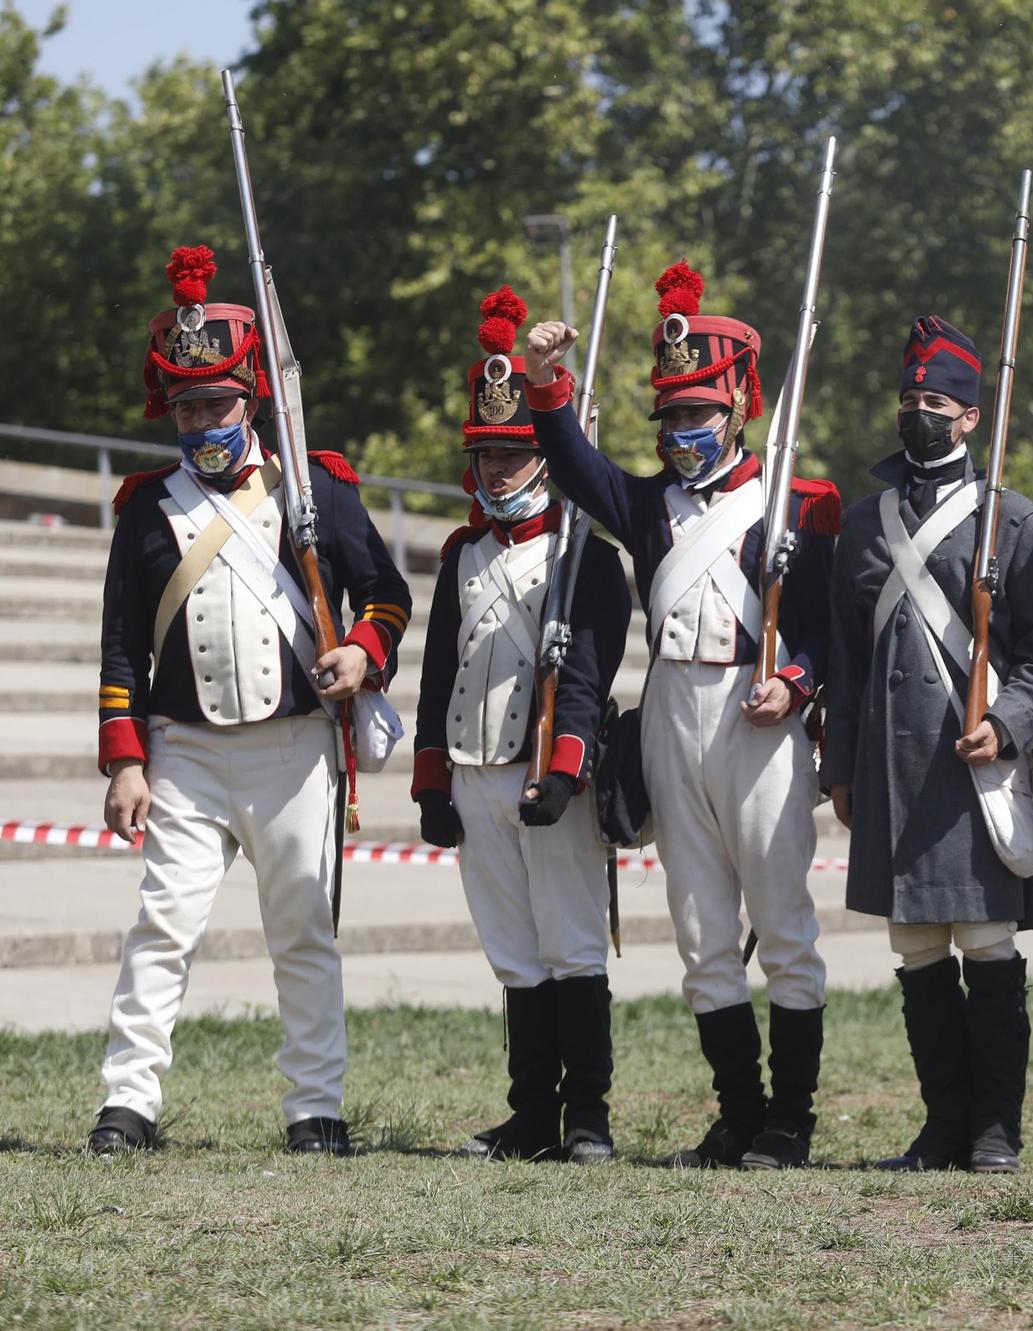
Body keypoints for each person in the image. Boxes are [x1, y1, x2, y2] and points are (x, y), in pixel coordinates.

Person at [90, 245, 412, 1155]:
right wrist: (124, 758)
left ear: (252, 400)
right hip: (183, 752)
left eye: (217, 403)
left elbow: (387, 594)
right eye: (187, 406)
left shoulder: (315, 488)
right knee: (161, 926)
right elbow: (121, 640)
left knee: (304, 932)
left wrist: (360, 650)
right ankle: (128, 1103)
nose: (202, 421)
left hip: (294, 746)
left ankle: (315, 1106)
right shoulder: (147, 508)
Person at [517, 262, 839, 1170]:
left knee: (782, 925)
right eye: (671, 417)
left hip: (758, 715)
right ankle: (738, 1110)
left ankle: (791, 1119)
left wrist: (800, 680)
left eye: (698, 412)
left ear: (738, 404)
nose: (682, 431)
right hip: (671, 713)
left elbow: (823, 634)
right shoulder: (648, 504)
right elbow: (576, 467)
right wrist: (547, 384)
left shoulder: (796, 504)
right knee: (701, 935)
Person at [822, 316, 1033, 1172]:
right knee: (916, 949)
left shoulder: (1015, 521)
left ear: (970, 417)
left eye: (937, 401)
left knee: (987, 944)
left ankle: (997, 1128)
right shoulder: (863, 522)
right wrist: (840, 765)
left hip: (974, 763)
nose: (919, 413)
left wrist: (1007, 724)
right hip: (890, 763)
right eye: (909, 399)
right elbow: (848, 662)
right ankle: (941, 1126)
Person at [408, 286, 630, 1163]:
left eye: (514, 454)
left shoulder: (589, 557)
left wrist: (566, 768)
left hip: (549, 774)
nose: (497, 472)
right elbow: (437, 674)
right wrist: (433, 779)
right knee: (513, 952)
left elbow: (588, 675)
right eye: (486, 456)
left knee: (573, 947)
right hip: (474, 767)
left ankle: (589, 1118)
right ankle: (533, 1114)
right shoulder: (463, 554)